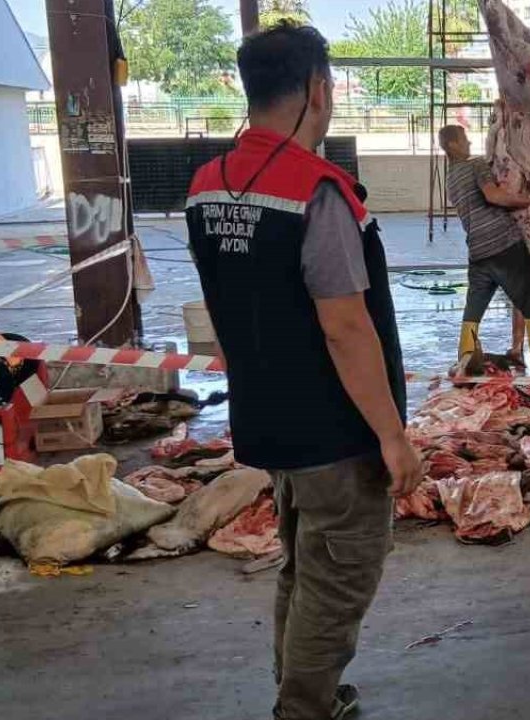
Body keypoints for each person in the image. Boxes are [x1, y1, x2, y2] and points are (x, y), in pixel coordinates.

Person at [183, 22, 421, 720]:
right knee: (340, 574)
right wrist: (393, 436)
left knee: (303, 563)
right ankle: (306, 708)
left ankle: (303, 687)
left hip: (266, 417)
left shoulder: (206, 187)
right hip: (333, 430)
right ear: (319, 90)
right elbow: (346, 326)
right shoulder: (316, 191)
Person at [439, 124, 530, 375]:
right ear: (453, 145)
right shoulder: (476, 165)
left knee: (474, 306)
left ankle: (465, 357)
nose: (469, 143)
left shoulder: (450, 179)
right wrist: (525, 200)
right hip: (503, 245)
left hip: (477, 251)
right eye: (464, 138)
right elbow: (493, 196)